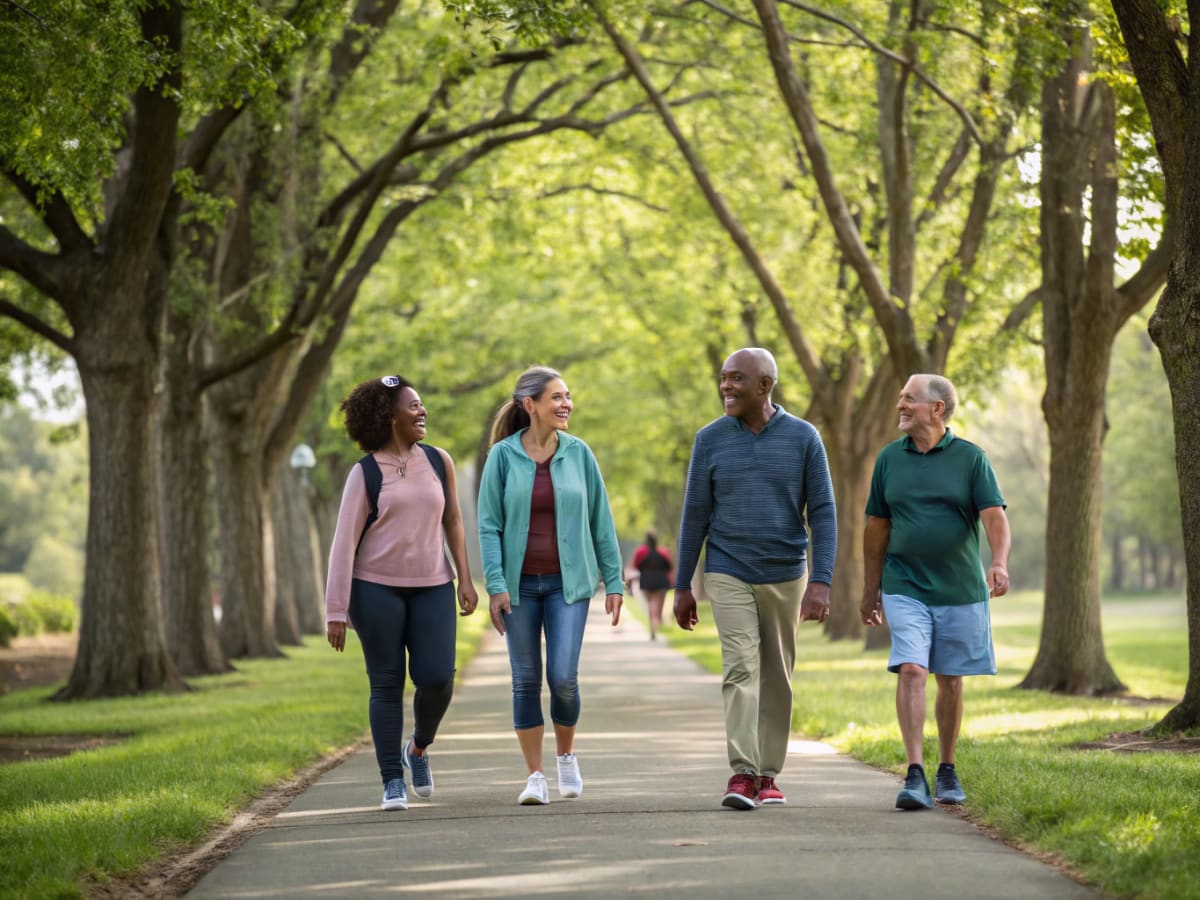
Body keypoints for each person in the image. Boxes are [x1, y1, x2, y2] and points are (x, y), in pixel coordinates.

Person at [673, 347, 837, 810]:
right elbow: (695, 515)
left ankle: (769, 774)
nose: (726, 386)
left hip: (787, 572)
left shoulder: (805, 438)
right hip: (727, 569)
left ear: (764, 386)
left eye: (736, 379)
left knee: (778, 675)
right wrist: (683, 584)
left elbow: (822, 512)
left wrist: (821, 580)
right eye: (723, 378)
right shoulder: (710, 439)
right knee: (741, 666)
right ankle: (742, 773)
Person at [325, 375, 478, 812]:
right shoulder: (365, 473)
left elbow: (453, 521)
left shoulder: (438, 460)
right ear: (391, 417)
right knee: (386, 684)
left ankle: (419, 749)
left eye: (422, 404)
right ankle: (392, 779)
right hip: (374, 589)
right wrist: (336, 608)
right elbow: (344, 542)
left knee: (437, 678)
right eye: (413, 406)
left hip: (433, 584)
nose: (422, 411)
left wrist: (464, 578)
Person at [859, 373, 1010, 811]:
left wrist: (998, 562)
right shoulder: (889, 459)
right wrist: (872, 589)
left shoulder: (970, 459)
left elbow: (995, 519)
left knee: (951, 678)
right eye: (900, 397)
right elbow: (877, 526)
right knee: (911, 669)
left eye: (909, 399)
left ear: (937, 408)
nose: (900, 405)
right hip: (904, 583)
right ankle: (914, 773)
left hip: (959, 587)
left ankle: (947, 768)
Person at [477, 366, 624, 806]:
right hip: (519, 588)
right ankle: (535, 776)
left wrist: (613, 580)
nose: (566, 405)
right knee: (525, 680)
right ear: (530, 405)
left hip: (568, 585)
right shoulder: (502, 457)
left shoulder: (580, 454)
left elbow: (601, 520)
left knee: (562, 678)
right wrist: (496, 585)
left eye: (568, 397)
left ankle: (565, 756)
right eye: (556, 398)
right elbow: (488, 526)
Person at [625, 530, 674, 640]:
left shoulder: (641, 552)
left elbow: (636, 566)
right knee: (657, 604)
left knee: (650, 604)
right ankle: (656, 623)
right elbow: (670, 567)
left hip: (647, 582)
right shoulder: (663, 553)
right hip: (661, 582)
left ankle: (653, 625)